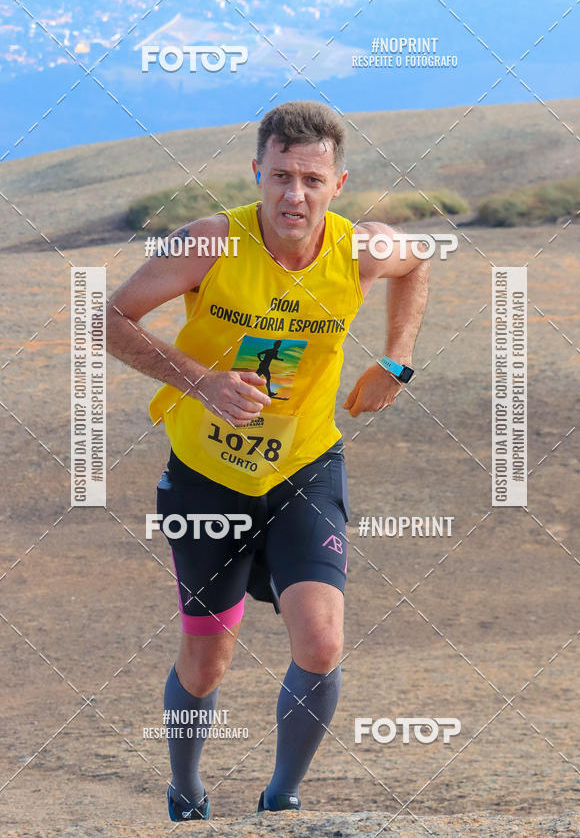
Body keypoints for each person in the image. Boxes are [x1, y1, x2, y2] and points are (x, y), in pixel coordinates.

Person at [106, 100, 429, 821]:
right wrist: (202, 382)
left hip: (303, 469)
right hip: (207, 478)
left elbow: (419, 262)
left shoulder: (361, 249)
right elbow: (109, 319)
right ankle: (187, 792)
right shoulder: (210, 243)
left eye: (312, 180)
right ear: (257, 172)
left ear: (338, 185)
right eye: (281, 176)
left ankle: (281, 804)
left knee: (321, 641)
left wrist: (396, 361)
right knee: (206, 660)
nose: (295, 195)